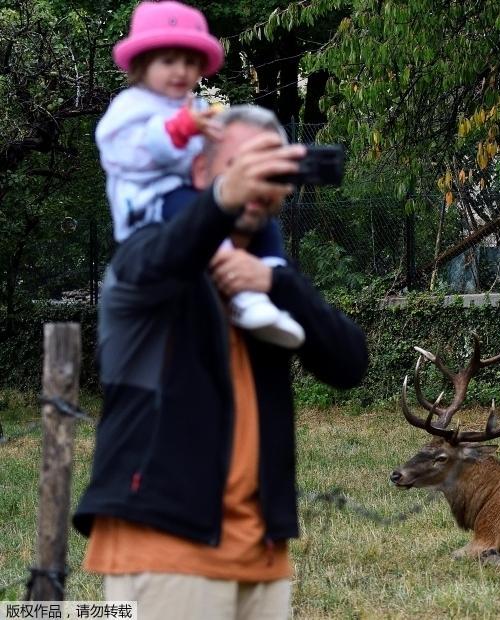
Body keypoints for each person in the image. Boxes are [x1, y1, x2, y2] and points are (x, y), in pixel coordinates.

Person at [73, 105, 369, 620]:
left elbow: (349, 364)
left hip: (260, 551)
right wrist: (220, 203)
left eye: (269, 168)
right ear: (200, 172)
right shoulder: (147, 257)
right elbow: (159, 258)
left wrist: (276, 283)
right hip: (163, 543)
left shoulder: (268, 275)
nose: (255, 182)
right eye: (240, 166)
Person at [96, 0, 303, 348]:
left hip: (197, 191)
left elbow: (216, 153)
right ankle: (241, 298)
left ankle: (267, 281)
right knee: (204, 212)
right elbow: (123, 155)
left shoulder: (195, 106)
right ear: (142, 64)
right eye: (169, 61)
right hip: (151, 202)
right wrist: (179, 130)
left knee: (257, 216)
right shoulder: (129, 107)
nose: (181, 71)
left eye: (190, 62)